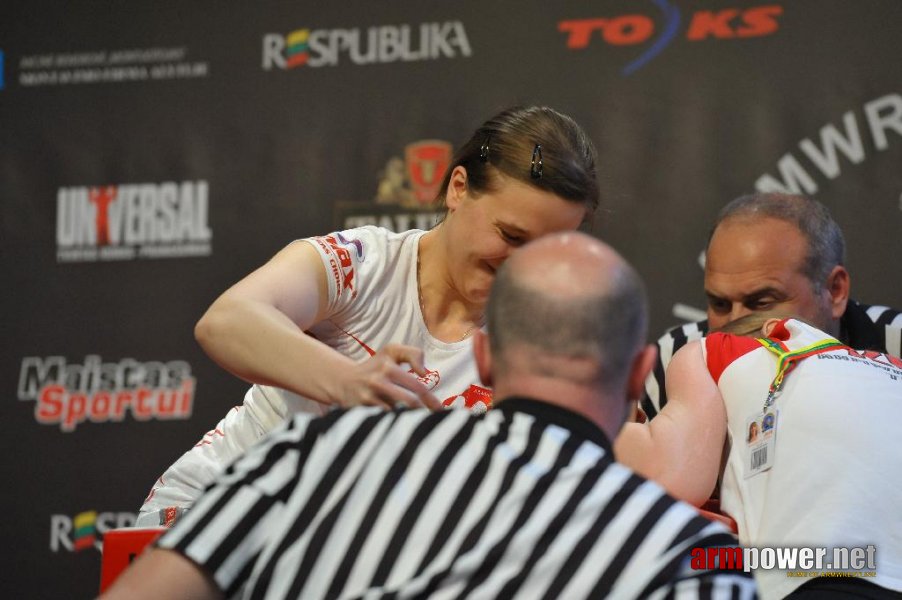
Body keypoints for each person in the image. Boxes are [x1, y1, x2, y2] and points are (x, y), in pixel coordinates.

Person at [104, 232, 755, 600]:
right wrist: (699, 363)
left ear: (484, 355)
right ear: (640, 373)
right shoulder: (690, 557)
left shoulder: (310, 454)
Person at [137, 105, 602, 526]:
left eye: (545, 251)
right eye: (511, 235)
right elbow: (227, 321)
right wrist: (349, 381)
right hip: (217, 504)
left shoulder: (536, 343)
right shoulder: (365, 262)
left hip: (343, 543)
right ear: (459, 188)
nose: (521, 264)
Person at [616, 312, 902, 599]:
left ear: (770, 332)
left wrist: (614, 407)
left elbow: (670, 468)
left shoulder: (716, 351)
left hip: (826, 571)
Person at [641, 192, 902, 420]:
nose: (736, 322)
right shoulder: (675, 356)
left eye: (762, 303)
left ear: (834, 291)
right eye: (719, 304)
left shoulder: (897, 344)